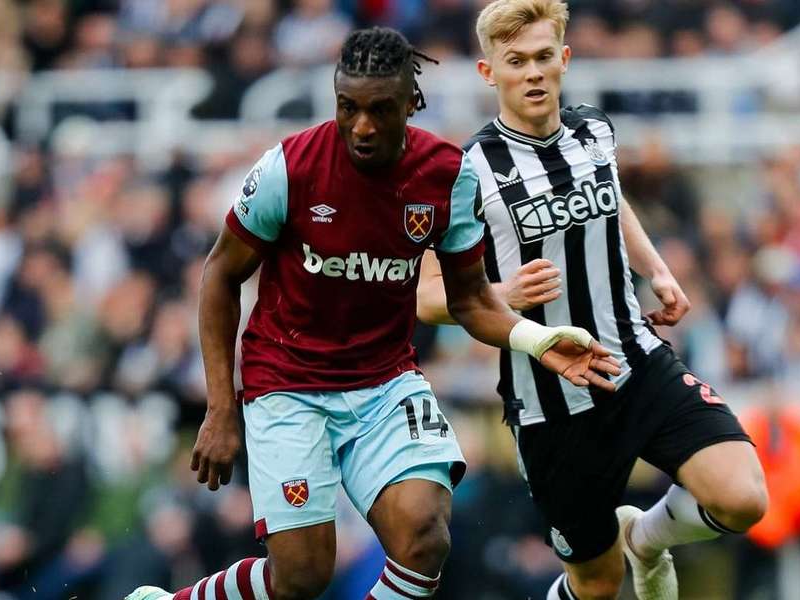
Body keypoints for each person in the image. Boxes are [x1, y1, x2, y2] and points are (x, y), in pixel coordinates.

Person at [126, 26, 620, 600]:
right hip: (287, 384)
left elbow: (470, 300)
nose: (361, 126)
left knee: (425, 538)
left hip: (384, 384)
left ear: (412, 103)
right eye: (348, 108)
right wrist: (220, 405)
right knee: (303, 577)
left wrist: (534, 340)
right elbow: (219, 276)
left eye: (380, 109)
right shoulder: (290, 169)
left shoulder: (448, 176)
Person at [416, 2, 769, 599]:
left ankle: (647, 539)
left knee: (742, 497)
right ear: (488, 73)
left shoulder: (594, 131)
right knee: (598, 586)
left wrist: (657, 270)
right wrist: (498, 292)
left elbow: (611, 198)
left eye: (543, 58)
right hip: (552, 402)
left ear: (565, 60)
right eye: (516, 61)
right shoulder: (466, 173)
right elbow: (424, 296)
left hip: (636, 360)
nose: (532, 73)